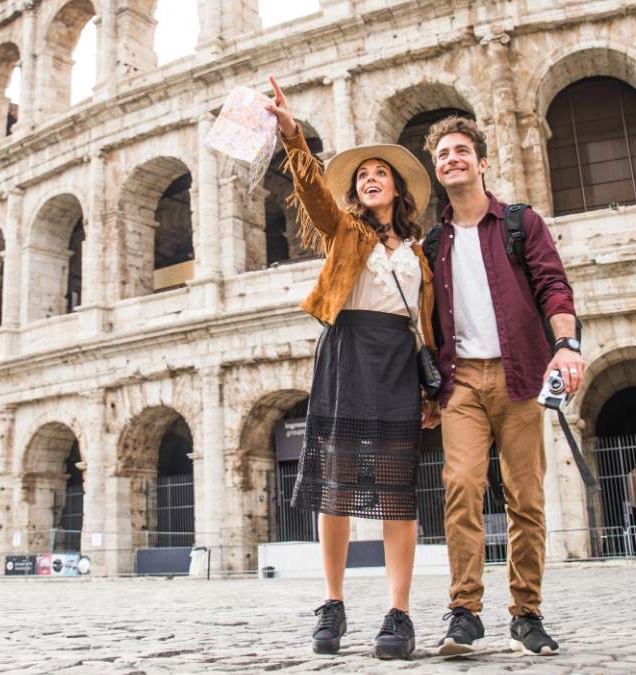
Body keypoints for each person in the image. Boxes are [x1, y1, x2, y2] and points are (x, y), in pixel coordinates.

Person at [265, 75, 436, 660]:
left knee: (396, 492)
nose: (369, 178)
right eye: (362, 175)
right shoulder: (346, 232)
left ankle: (399, 612)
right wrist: (292, 135)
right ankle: (333, 603)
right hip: (345, 350)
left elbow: (428, 324)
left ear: (397, 189)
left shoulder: (419, 253)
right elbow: (312, 190)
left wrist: (431, 389)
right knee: (335, 487)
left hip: (396, 359)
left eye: (379, 173)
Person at [422, 115, 582, 656]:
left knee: (526, 498)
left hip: (519, 376)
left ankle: (527, 612)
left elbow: (553, 286)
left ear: (482, 161)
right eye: (443, 154)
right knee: (461, 487)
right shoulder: (432, 242)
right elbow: (422, 323)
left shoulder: (519, 222)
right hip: (461, 381)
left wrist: (567, 346)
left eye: (461, 150)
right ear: (436, 168)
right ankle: (464, 611)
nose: (452, 159)